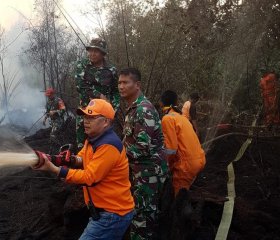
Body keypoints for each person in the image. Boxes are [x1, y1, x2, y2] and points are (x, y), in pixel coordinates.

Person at [33, 99, 134, 240]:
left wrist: (56, 170)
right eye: (85, 116)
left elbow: (89, 177)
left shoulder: (108, 145)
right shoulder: (93, 139)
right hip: (105, 213)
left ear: (105, 122)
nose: (86, 121)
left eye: (91, 118)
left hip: (113, 215)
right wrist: (60, 159)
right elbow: (82, 159)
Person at [118, 67, 169, 240]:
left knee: (142, 217)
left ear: (137, 85)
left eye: (125, 82)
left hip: (149, 173)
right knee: (141, 213)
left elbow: (141, 148)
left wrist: (114, 158)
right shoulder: (133, 108)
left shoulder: (143, 109)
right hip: (141, 171)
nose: (121, 86)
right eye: (119, 82)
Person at [74, 37, 120, 150]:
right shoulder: (82, 65)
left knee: (103, 144)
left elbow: (116, 91)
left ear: (103, 53)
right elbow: (80, 86)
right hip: (86, 111)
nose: (92, 53)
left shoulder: (111, 70)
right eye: (90, 50)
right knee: (83, 145)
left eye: (96, 51)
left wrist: (113, 108)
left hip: (103, 116)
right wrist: (99, 95)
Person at [160, 90, 206, 195]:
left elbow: (171, 150)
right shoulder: (182, 118)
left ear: (161, 103)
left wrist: (164, 168)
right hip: (199, 159)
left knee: (179, 199)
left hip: (186, 166)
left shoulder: (167, 119)